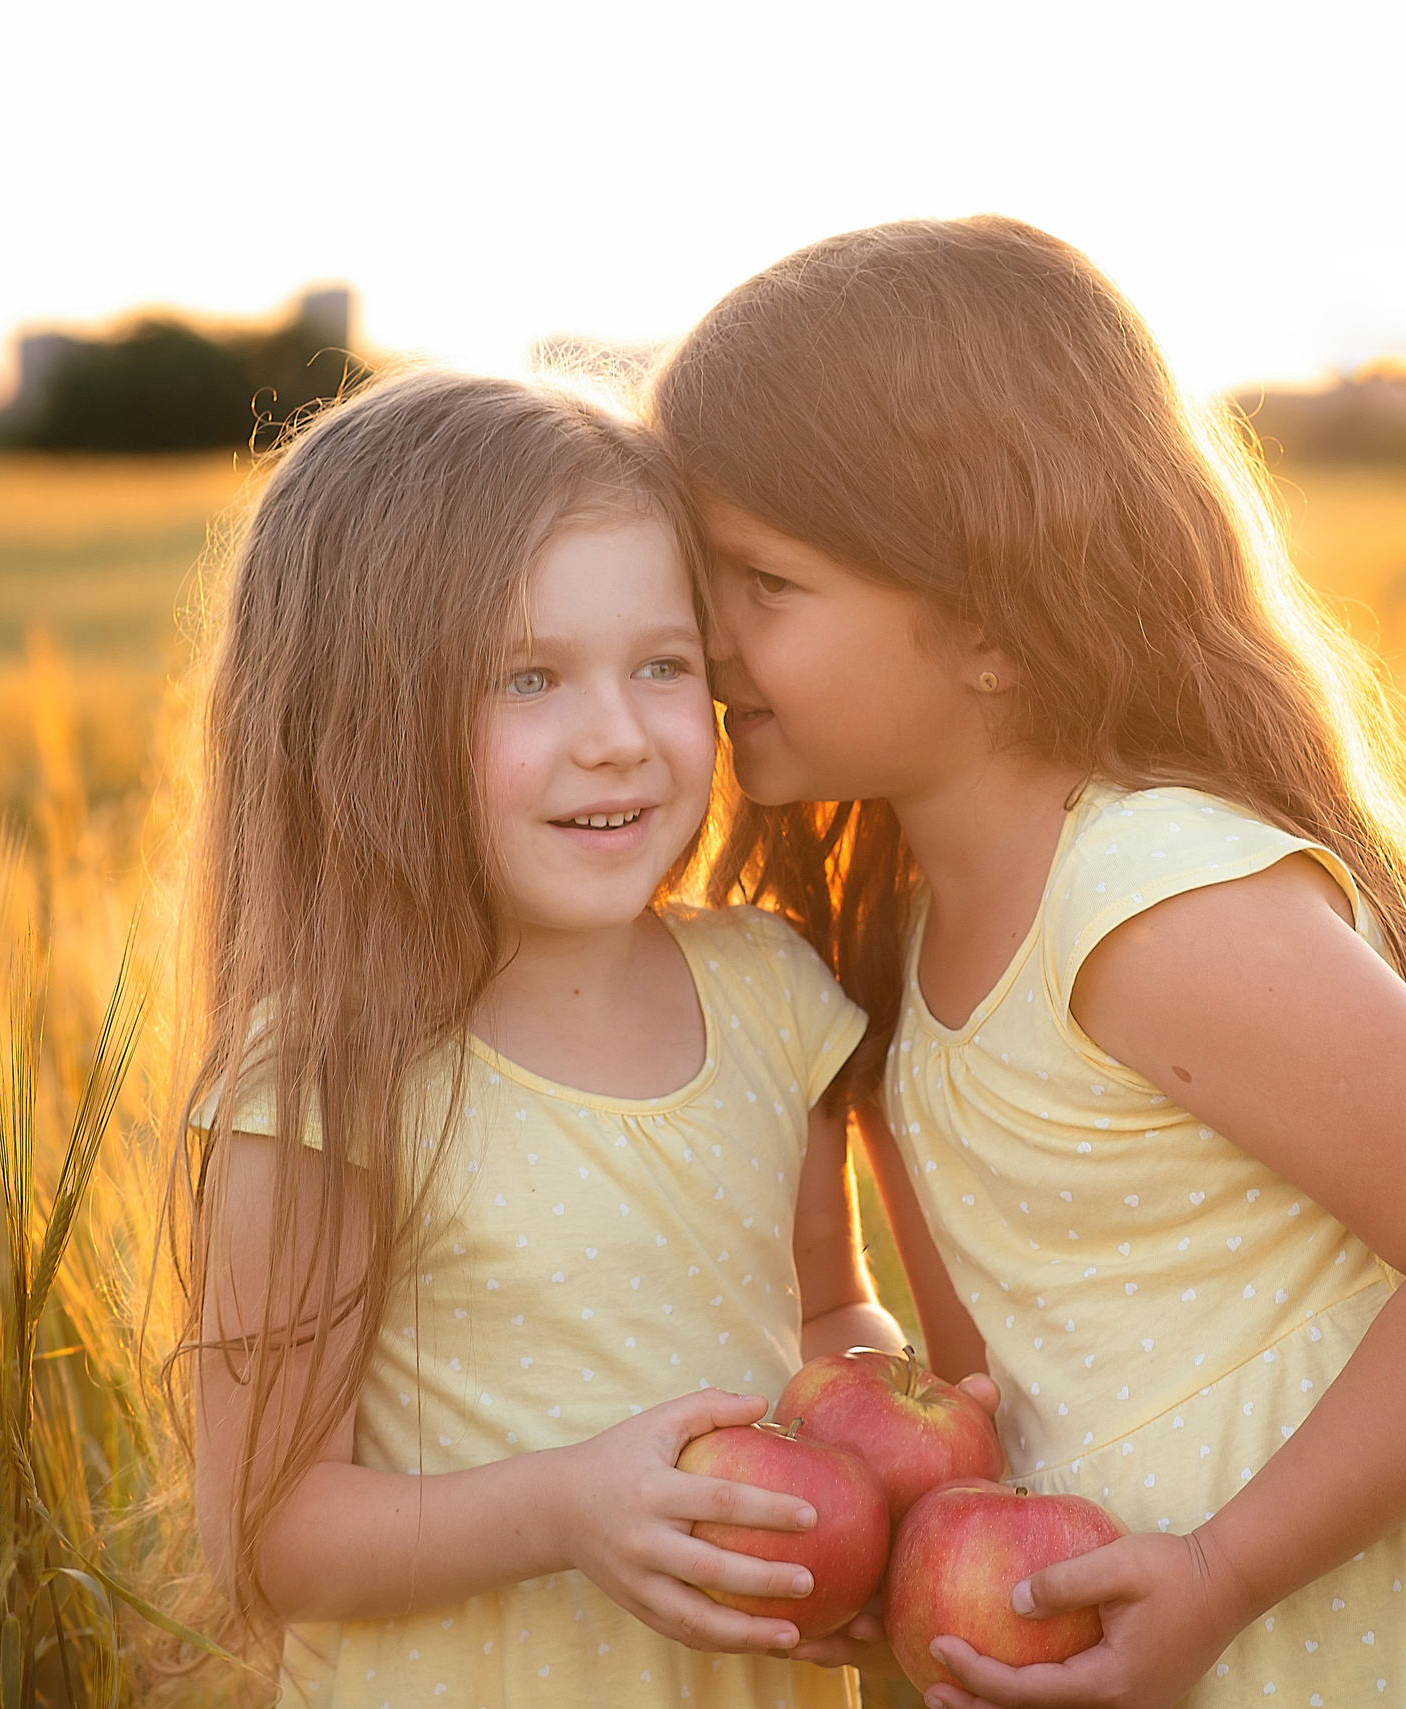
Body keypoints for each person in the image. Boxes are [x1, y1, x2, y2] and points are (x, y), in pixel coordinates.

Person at [652, 217, 1406, 1709]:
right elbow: (999, 1398)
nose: (704, 642)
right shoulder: (905, 945)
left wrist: (1224, 1570)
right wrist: (897, 1548)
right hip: (1178, 1639)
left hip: (1401, 1631)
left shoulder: (1152, 896)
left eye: (760, 583)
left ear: (979, 612)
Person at [175, 367, 933, 1708]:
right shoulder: (324, 1082)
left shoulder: (770, 992)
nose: (619, 738)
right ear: (362, 722)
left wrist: (878, 1442)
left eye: (662, 664)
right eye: (528, 678)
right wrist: (569, 1509)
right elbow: (273, 1530)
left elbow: (827, 1306)